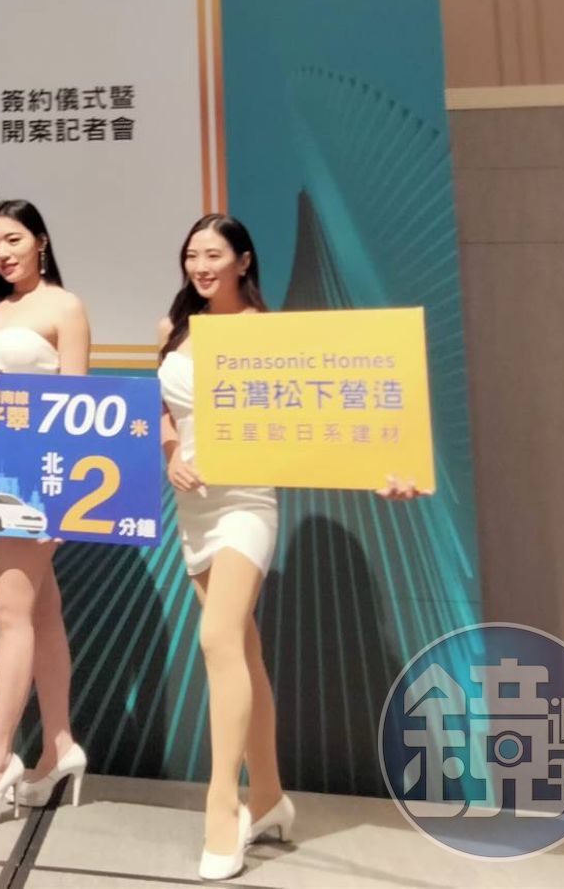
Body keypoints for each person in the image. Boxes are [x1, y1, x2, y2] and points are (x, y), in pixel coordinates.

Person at [157, 212, 423, 879]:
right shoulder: (175, 330)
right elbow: (166, 414)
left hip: (247, 504)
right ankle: (272, 798)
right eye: (192, 255)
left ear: (244, 261)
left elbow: (333, 414)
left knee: (218, 640)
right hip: (194, 509)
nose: (201, 266)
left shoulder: (272, 334)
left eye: (214, 254)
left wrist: (387, 470)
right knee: (242, 651)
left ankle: (224, 807)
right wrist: (171, 453)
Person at [0, 200, 89, 826]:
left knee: (11, 609)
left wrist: (63, 500)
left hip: (41, 475)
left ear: (41, 241)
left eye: (14, 240)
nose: (3, 253)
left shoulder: (65, 307)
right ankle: (59, 746)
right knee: (41, 609)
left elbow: (79, 406)